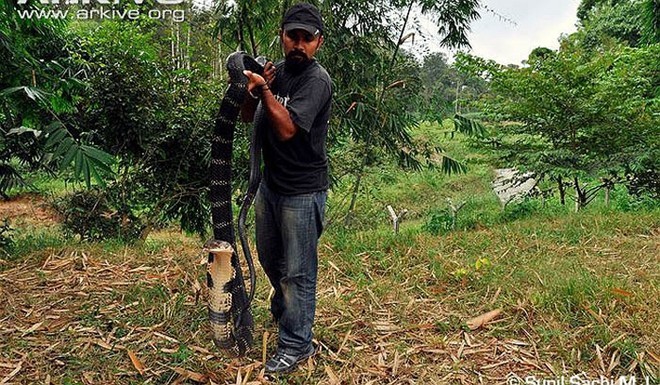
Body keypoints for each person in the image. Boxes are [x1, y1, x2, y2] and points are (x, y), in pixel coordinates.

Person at [241, 2, 332, 374]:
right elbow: (250, 119)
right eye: (292, 36)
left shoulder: (316, 81)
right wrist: (252, 89)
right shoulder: (275, 74)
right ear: (282, 36)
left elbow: (288, 129)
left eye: (306, 39)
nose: (299, 44)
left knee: (298, 271)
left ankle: (297, 344)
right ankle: (287, 314)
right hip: (271, 186)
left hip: (302, 191)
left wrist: (265, 92)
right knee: (269, 259)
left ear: (318, 43)